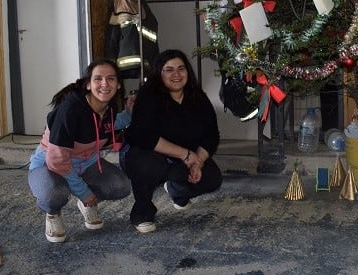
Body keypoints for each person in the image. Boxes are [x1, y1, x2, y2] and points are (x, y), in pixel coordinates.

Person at [28, 59, 133, 243]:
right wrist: (84, 192)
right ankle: (53, 214)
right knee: (55, 194)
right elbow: (57, 161)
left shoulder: (106, 107)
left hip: (87, 163)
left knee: (121, 186)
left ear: (118, 85)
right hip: (49, 165)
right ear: (88, 84)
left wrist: (129, 114)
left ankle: (87, 204)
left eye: (110, 79)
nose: (104, 84)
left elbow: (109, 124)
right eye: (98, 78)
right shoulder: (70, 110)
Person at [121, 49, 222, 233]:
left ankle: (176, 190)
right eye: (169, 69)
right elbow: (143, 136)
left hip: (183, 158)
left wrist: (197, 162)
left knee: (212, 179)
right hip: (145, 154)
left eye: (181, 68)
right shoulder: (148, 95)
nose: (176, 74)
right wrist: (186, 155)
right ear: (159, 73)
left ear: (187, 72)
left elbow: (211, 136)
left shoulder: (198, 97)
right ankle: (142, 212)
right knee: (148, 164)